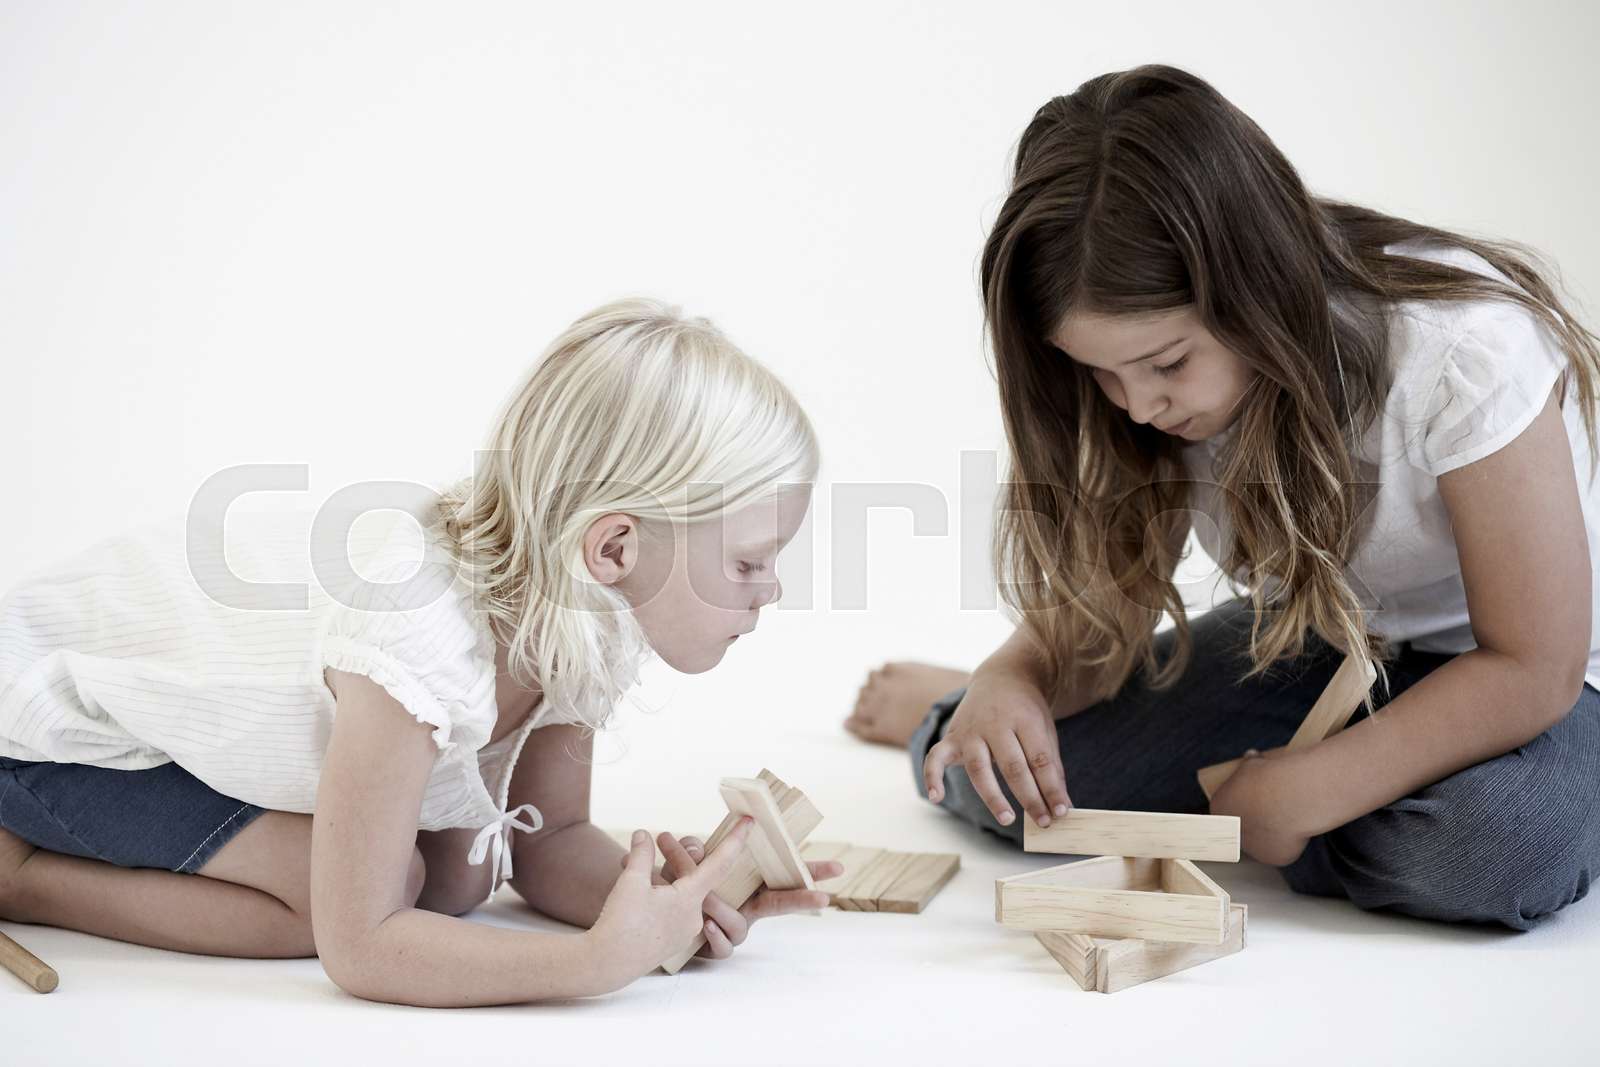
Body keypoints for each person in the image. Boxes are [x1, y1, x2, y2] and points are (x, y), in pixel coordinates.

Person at [847, 65, 1600, 931]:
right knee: (1009, 794)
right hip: (1322, 640)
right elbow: (1110, 608)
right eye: (1100, 372)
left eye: (1167, 363)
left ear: (1260, 281)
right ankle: (985, 710)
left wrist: (1315, 785)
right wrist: (1011, 675)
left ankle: (1261, 805)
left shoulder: (1464, 352)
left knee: (1488, 849)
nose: (1137, 403)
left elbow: (1531, 666)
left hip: (1544, 675)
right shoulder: (1147, 401)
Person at [0, 298, 839, 1004]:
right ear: (614, 547)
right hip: (40, 728)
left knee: (459, 873)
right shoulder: (416, 632)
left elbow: (549, 841)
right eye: (747, 560)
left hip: (152, 735)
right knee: (375, 890)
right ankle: (20, 873)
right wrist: (592, 963)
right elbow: (359, 947)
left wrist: (659, 904)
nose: (770, 589)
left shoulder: (584, 619)